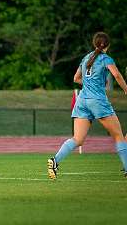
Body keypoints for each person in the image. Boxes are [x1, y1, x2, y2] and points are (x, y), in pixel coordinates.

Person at [47, 32, 127, 179]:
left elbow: (76, 78)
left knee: (77, 139)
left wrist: (90, 83)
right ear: (108, 45)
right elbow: (116, 75)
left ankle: (55, 160)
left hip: (82, 101)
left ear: (94, 43)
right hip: (97, 101)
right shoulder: (105, 58)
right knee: (119, 136)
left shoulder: (86, 58)